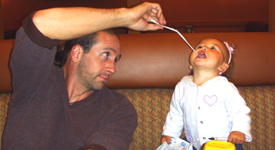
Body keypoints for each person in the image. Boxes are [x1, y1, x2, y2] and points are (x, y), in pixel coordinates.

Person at [2, 2, 166, 150]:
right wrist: (126, 17)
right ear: (77, 53)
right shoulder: (36, 77)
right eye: (106, 55)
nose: (113, 68)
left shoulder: (118, 107)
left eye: (116, 60)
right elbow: (40, 23)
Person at [161, 38, 252, 150]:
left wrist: (239, 130)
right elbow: (176, 113)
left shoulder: (225, 87)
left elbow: (239, 111)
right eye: (199, 46)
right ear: (191, 65)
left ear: (222, 67)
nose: (204, 48)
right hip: (192, 144)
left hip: (224, 145)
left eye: (213, 48)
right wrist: (170, 133)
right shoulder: (182, 86)